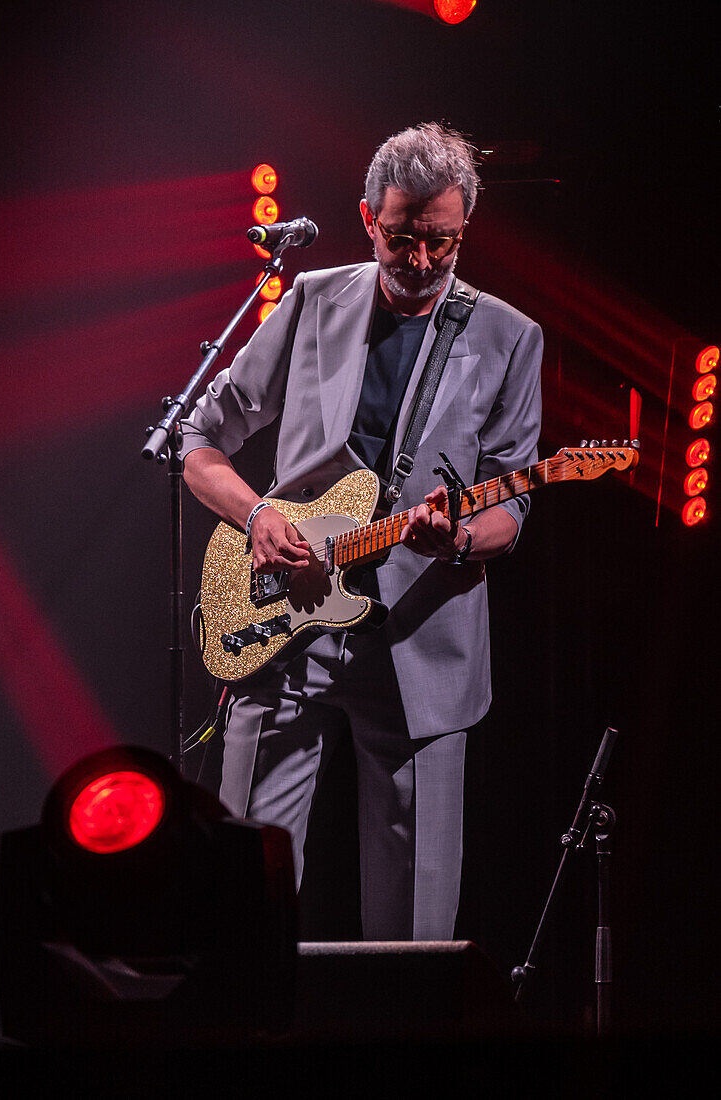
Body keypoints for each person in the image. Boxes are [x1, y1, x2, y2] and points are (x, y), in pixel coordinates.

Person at [180, 123, 542, 941]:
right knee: (243, 889)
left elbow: (512, 507)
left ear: (464, 230)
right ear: (368, 218)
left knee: (414, 929)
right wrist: (258, 514)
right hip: (282, 620)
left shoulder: (509, 336)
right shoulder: (312, 298)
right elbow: (197, 438)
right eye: (402, 238)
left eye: (440, 243)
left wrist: (453, 538)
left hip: (421, 637)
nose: (419, 262)